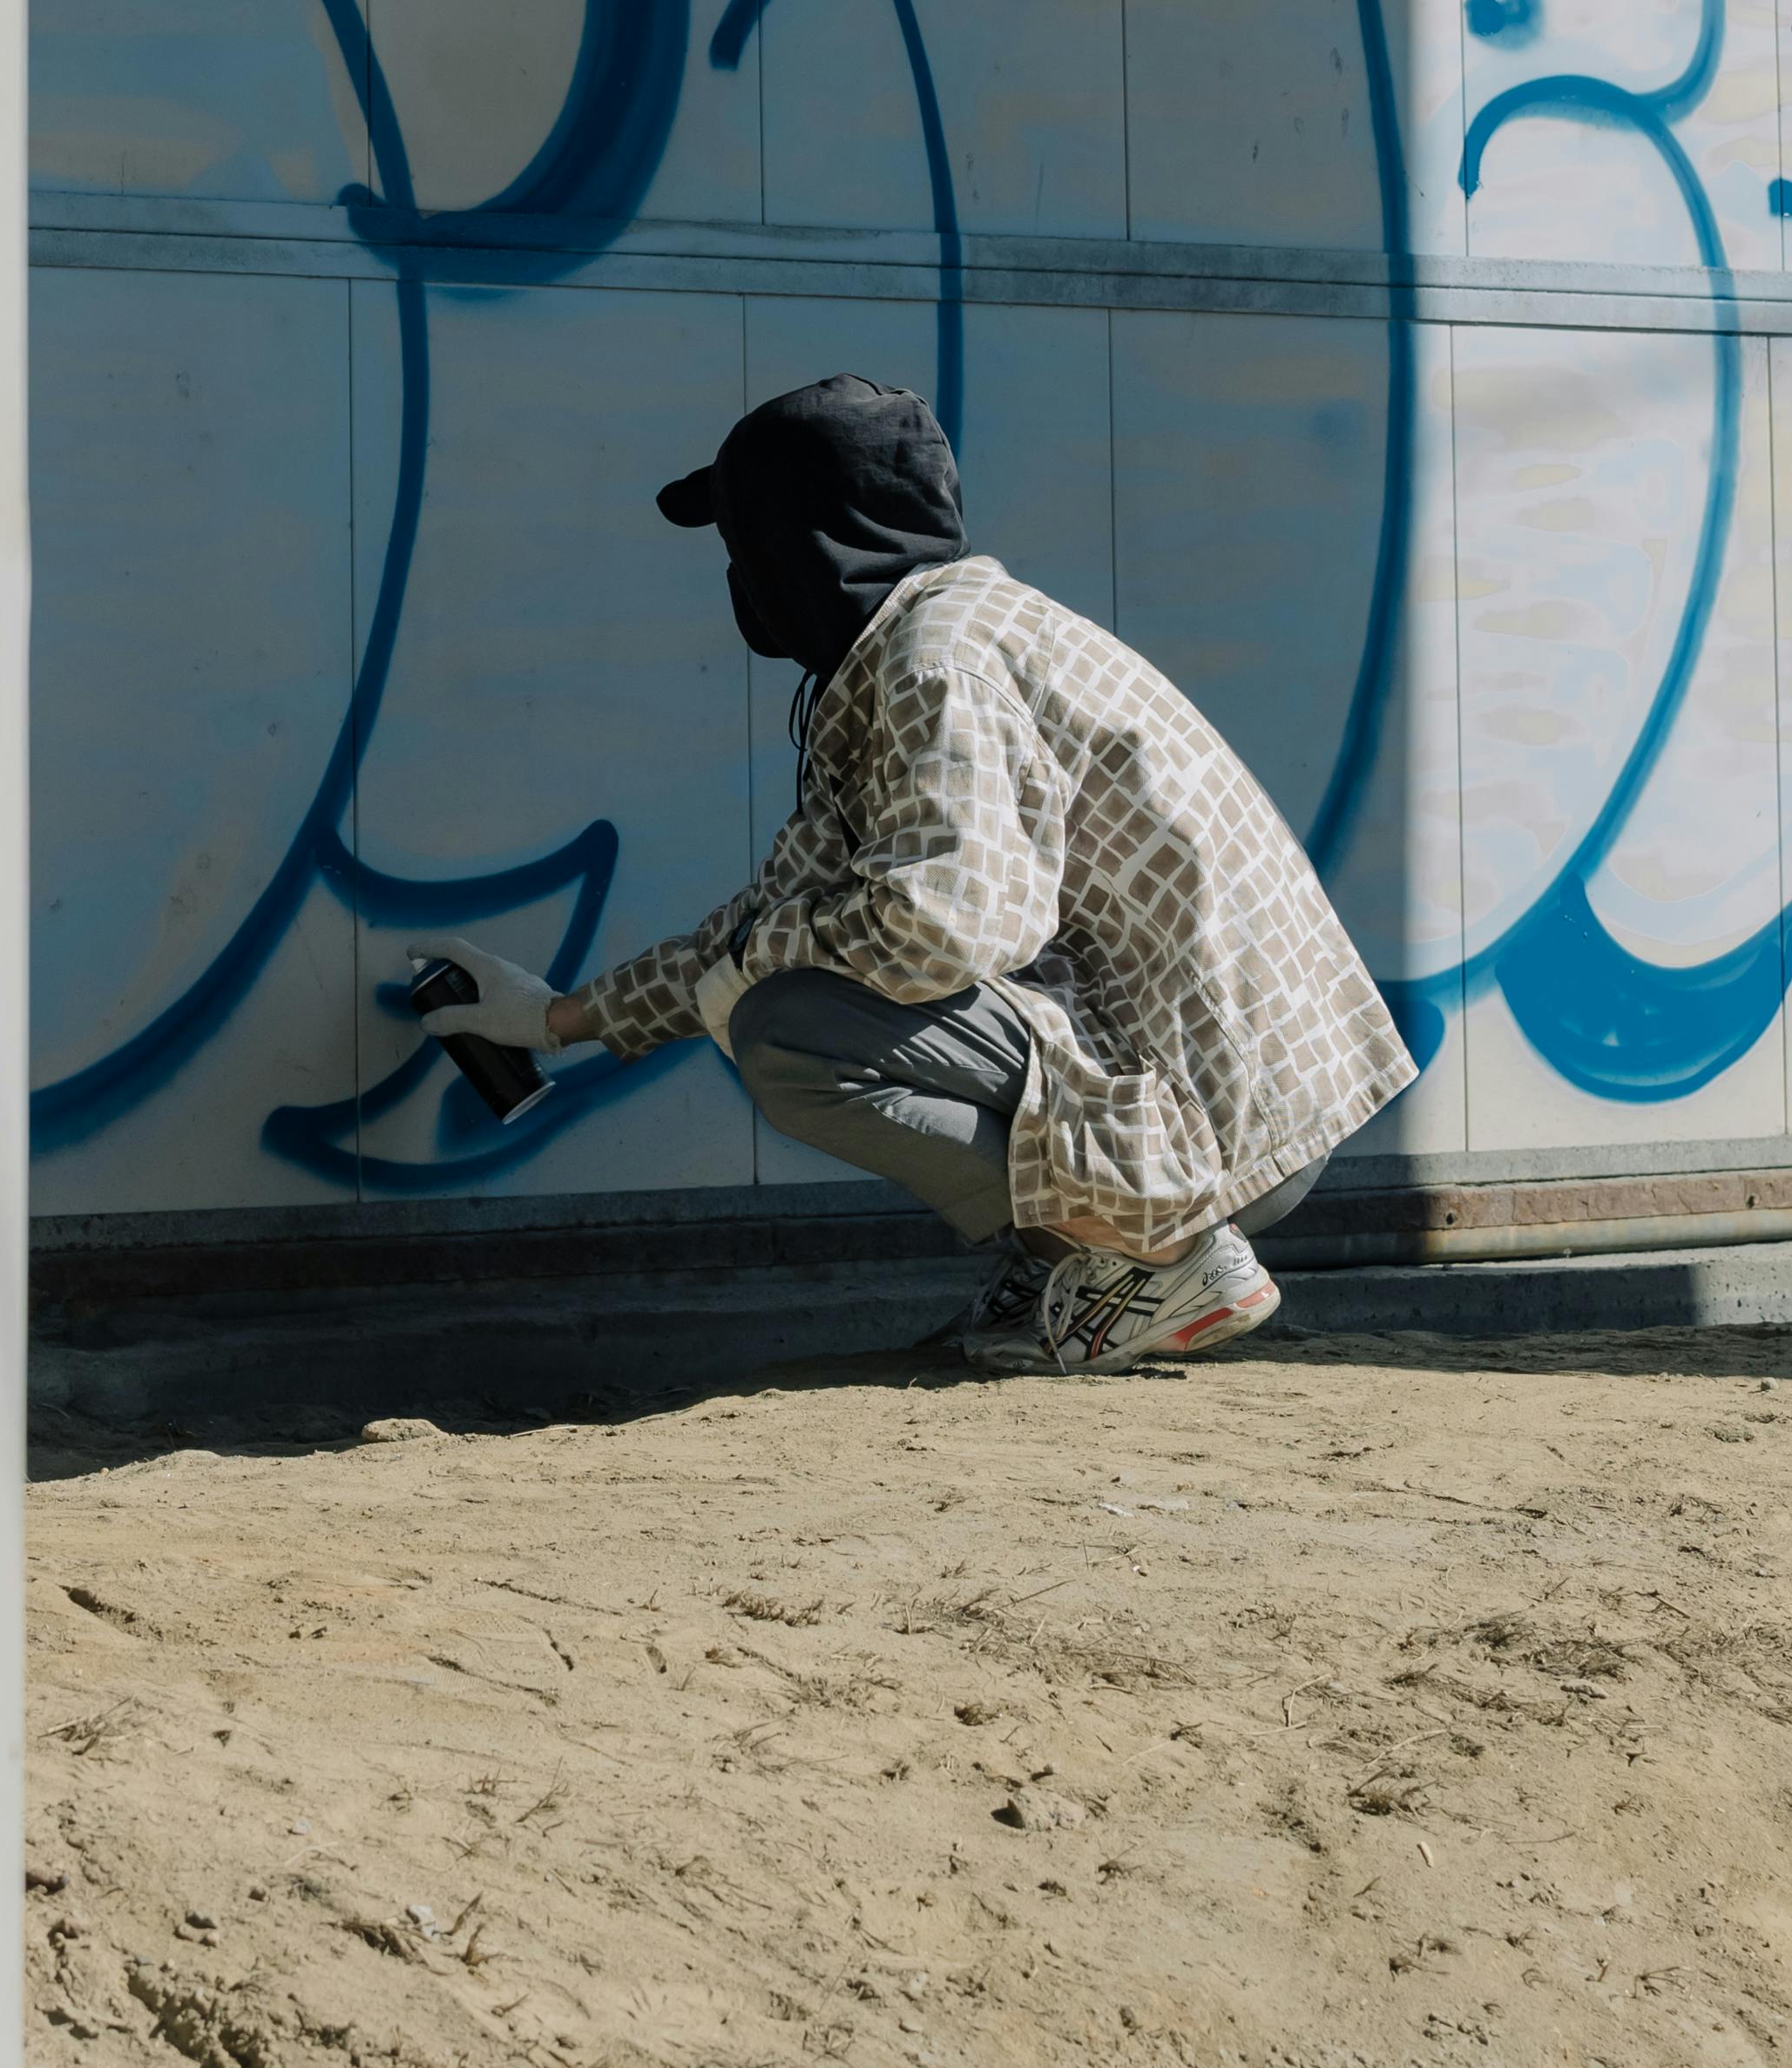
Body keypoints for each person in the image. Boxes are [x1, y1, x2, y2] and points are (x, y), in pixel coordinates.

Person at [412, 374, 1417, 1374]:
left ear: (801, 543)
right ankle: (1085, 1262)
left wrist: (753, 965)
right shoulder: (932, 638)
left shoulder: (936, 667)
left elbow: (941, 927)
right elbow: (784, 910)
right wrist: (558, 1019)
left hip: (1221, 1130)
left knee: (788, 1026)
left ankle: (1164, 1262)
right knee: (780, 977)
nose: (737, 577)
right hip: (1234, 1096)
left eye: (743, 542)